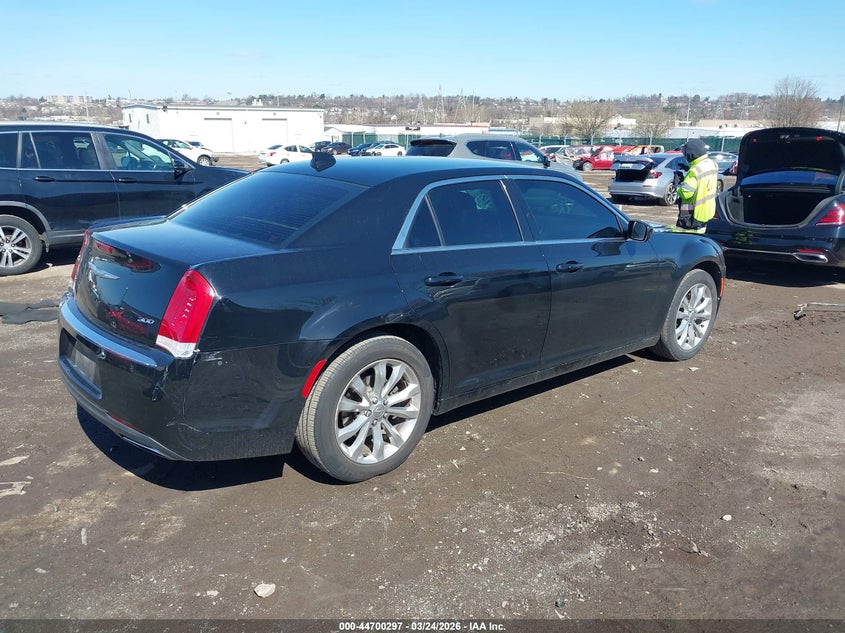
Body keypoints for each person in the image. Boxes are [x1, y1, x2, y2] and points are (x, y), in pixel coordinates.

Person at [674, 139, 719, 233]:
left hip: (693, 215)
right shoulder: (712, 164)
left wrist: (678, 185)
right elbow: (702, 179)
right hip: (708, 211)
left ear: (691, 154)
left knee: (684, 238)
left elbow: (686, 193)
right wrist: (689, 168)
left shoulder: (694, 171)